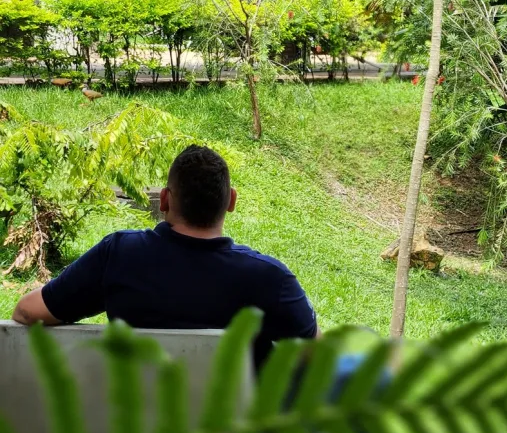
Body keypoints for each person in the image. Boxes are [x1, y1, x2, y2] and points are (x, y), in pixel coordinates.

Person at [10, 144, 318, 369]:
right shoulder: (270, 278)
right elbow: (317, 355)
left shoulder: (119, 255)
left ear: (166, 199)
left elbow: (26, 312)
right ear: (231, 201)